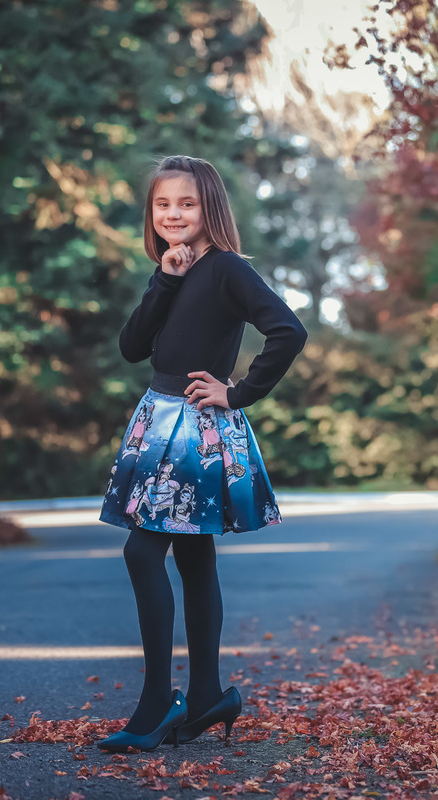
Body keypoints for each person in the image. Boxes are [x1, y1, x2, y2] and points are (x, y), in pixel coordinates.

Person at [95, 155, 308, 753]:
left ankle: (160, 701)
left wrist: (237, 392)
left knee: (142, 554)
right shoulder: (172, 267)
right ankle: (210, 693)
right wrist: (163, 277)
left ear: (209, 206)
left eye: (186, 204)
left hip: (194, 427)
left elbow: (288, 330)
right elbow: (134, 347)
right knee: (191, 559)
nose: (173, 215)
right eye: (163, 205)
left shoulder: (228, 269)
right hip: (156, 417)